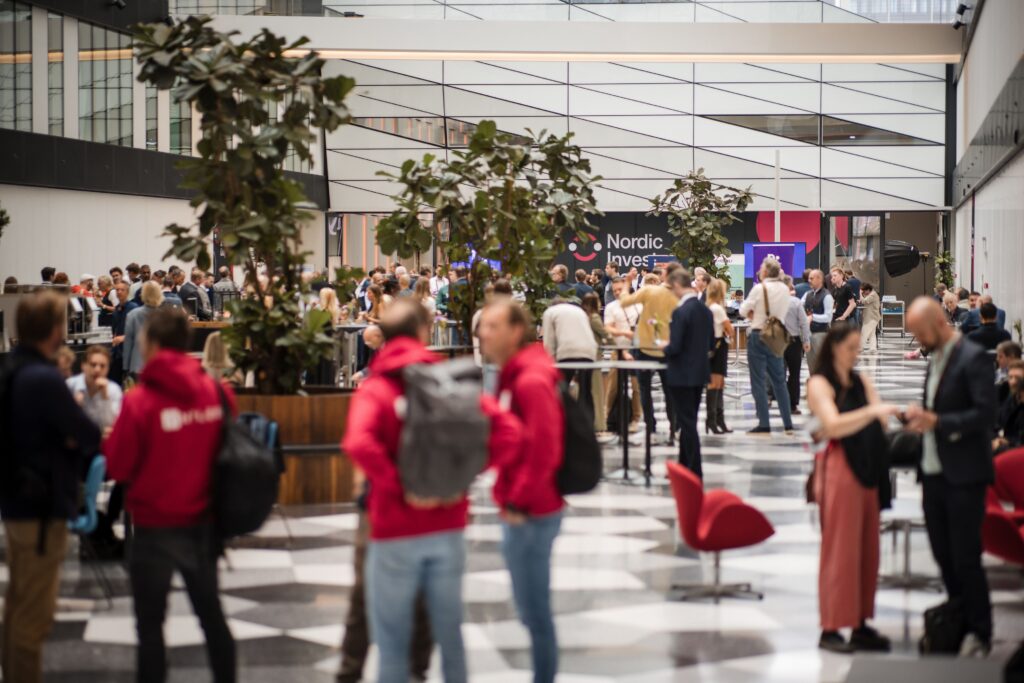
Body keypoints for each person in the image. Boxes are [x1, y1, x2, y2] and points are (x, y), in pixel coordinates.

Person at [342, 299, 520, 683]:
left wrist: (401, 486)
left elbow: (358, 442)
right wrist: (460, 479)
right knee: (451, 637)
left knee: (391, 647)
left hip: (392, 528)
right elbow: (508, 432)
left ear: (382, 336)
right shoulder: (447, 381)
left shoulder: (377, 388)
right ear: (423, 332)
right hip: (448, 525)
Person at [104, 307, 237, 682]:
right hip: (204, 524)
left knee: (150, 628)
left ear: (153, 343)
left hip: (153, 529)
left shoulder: (139, 401)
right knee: (212, 618)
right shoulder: (218, 393)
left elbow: (118, 467)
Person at [0, 291, 101, 683]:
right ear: (56, 331)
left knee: (17, 607)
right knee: (34, 617)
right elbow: (87, 432)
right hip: (41, 507)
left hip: (17, 503)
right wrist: (70, 438)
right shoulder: (44, 379)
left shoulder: (13, 368)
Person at [478, 300, 564, 683]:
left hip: (532, 510)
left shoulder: (530, 380)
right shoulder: (515, 375)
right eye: (483, 325)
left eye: (493, 326)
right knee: (530, 609)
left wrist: (518, 500)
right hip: (523, 504)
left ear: (515, 331)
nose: (483, 333)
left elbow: (545, 449)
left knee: (534, 611)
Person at [905, 297, 995, 657]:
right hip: (933, 473)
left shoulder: (973, 358)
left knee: (965, 557)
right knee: (943, 555)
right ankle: (959, 619)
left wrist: (940, 422)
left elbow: (985, 415)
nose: (919, 340)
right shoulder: (936, 358)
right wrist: (920, 418)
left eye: (920, 333)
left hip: (964, 475)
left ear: (939, 324)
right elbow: (937, 407)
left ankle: (981, 631)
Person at [807, 323, 897, 654]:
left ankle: (860, 622)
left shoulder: (861, 381)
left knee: (867, 549)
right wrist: (870, 413)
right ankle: (831, 626)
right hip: (839, 469)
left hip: (868, 466)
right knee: (840, 549)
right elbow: (832, 425)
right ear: (834, 348)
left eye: (858, 348)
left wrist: (868, 415)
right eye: (850, 349)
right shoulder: (819, 383)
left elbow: (883, 421)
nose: (855, 354)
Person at [661, 268, 714, 477]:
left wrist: (663, 346)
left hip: (681, 374)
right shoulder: (705, 310)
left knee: (687, 423)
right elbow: (710, 343)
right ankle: (683, 467)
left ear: (676, 285)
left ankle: (695, 470)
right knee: (688, 420)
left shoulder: (681, 312)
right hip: (699, 372)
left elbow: (675, 347)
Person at [619, 270, 680, 440]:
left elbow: (624, 301)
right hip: (667, 348)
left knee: (645, 390)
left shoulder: (648, 290)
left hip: (645, 348)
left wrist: (627, 283)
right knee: (670, 391)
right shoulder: (677, 296)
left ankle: (651, 428)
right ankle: (674, 427)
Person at [739, 257, 795, 434]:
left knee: (758, 380)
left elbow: (742, 310)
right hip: (777, 336)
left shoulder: (759, 288)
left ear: (764, 271)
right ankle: (788, 424)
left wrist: (754, 314)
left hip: (759, 334)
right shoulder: (785, 289)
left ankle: (764, 423)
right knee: (779, 381)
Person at [541, 298, 598, 421]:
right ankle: (588, 425)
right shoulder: (578, 310)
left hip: (567, 352)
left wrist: (549, 362)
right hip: (589, 351)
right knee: (586, 390)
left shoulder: (550, 312)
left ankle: (563, 422)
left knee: (562, 390)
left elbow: (549, 341)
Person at [603, 276, 643, 435]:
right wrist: (624, 333)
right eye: (615, 291)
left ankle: (636, 418)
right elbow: (608, 327)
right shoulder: (611, 307)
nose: (617, 293)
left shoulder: (638, 305)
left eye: (620, 289)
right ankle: (606, 416)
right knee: (613, 386)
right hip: (618, 349)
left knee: (636, 386)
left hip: (637, 349)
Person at [704, 278, 734, 434]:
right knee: (716, 383)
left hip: (712, 345)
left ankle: (717, 420)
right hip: (718, 345)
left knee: (719, 383)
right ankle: (712, 419)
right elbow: (730, 329)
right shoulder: (718, 309)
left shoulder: (708, 307)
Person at [782, 275, 811, 416]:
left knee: (778, 373)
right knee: (794, 373)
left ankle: (778, 400)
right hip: (794, 341)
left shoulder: (773, 301)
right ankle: (792, 404)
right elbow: (804, 323)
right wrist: (806, 340)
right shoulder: (796, 302)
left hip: (777, 341)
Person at [581, 292, 610, 433]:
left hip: (585, 357)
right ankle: (599, 424)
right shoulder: (595, 318)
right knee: (597, 393)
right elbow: (605, 334)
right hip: (595, 358)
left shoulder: (584, 318)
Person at [124, 281, 165, 379]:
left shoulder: (132, 315)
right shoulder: (165, 317)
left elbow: (128, 343)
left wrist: (125, 367)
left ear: (143, 294)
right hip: (159, 365)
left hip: (137, 365)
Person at [802, 269, 834, 373]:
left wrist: (812, 317)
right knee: (811, 364)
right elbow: (799, 306)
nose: (809, 281)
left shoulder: (827, 296)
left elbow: (828, 317)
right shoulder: (808, 294)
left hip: (821, 334)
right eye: (809, 278)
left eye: (811, 278)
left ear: (819, 279)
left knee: (821, 364)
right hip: (808, 334)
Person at [994, 360, 1024, 455]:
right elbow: (997, 421)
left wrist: (1007, 442)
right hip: (1007, 445)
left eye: (1017, 378)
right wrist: (996, 438)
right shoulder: (1012, 398)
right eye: (1010, 377)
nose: (1013, 381)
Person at [859, 283, 881, 352]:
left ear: (868, 290)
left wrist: (860, 294)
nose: (864, 292)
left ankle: (860, 347)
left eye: (864, 291)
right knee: (872, 334)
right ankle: (873, 348)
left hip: (871, 318)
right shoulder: (872, 294)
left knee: (864, 332)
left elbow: (865, 301)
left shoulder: (873, 295)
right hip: (873, 317)